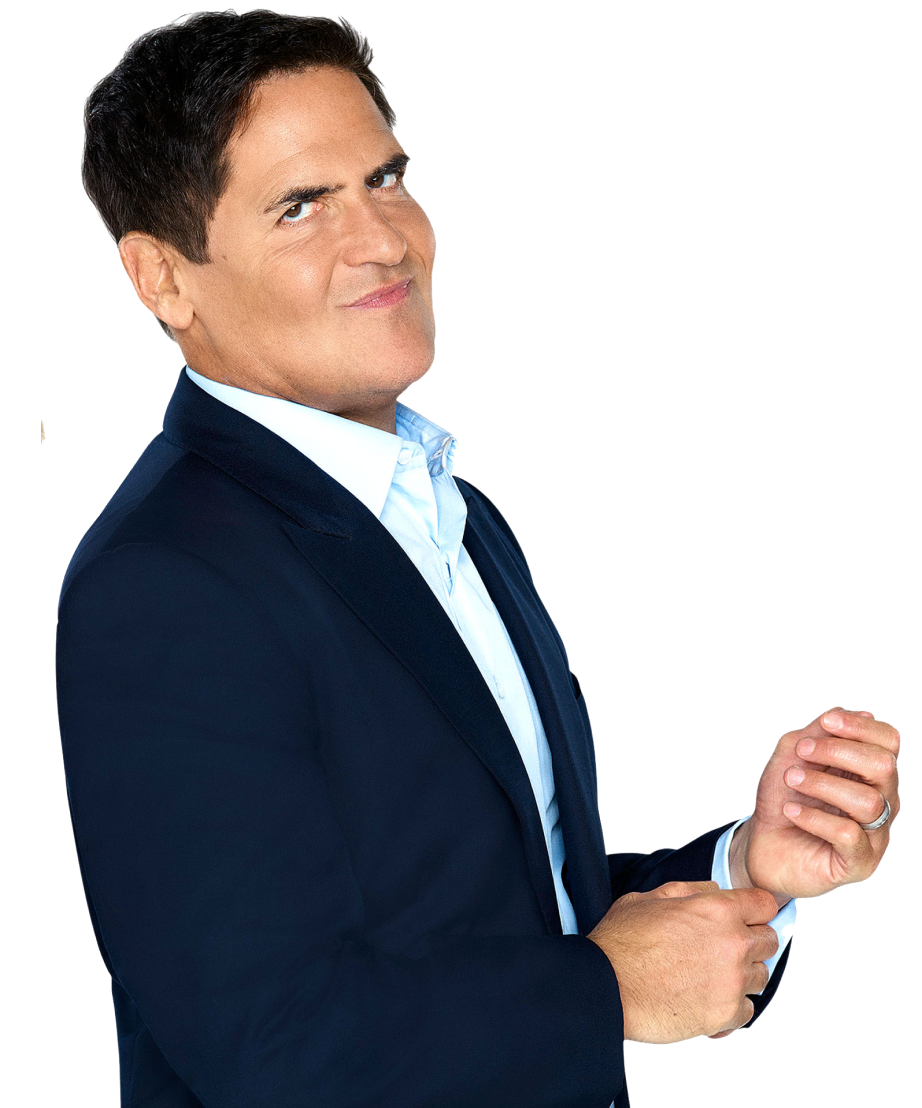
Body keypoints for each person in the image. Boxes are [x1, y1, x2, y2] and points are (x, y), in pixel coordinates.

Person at [56, 12, 900, 1107]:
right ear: (163, 278)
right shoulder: (166, 583)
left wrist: (745, 864)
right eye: (302, 205)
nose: (384, 240)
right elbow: (267, 1046)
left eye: (386, 177)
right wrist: (606, 990)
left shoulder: (444, 507)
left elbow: (507, 913)